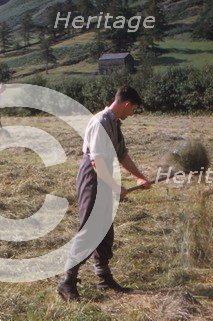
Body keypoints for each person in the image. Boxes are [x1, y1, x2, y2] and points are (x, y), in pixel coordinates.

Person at [57, 86, 151, 302]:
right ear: (127, 104)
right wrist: (117, 188)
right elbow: (97, 162)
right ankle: (67, 281)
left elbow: (122, 155)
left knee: (105, 229)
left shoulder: (115, 124)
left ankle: (103, 278)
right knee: (91, 228)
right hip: (93, 177)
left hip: (106, 175)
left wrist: (139, 176)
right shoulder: (100, 123)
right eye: (134, 109)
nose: (133, 114)